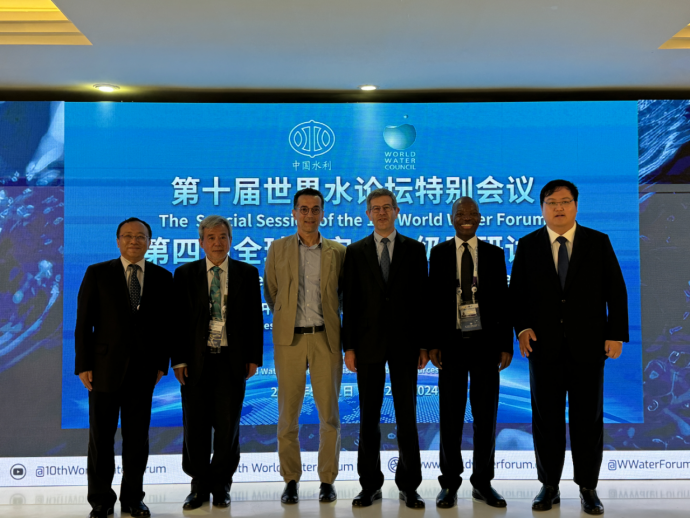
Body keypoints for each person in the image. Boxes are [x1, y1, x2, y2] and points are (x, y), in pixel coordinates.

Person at [510, 180, 629, 515]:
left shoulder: (597, 241)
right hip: (543, 348)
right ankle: (548, 486)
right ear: (542, 208)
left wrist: (616, 334)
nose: (558, 208)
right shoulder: (529, 244)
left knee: (587, 420)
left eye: (564, 201)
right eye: (551, 202)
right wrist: (523, 328)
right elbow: (517, 294)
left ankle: (588, 487)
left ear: (576, 205)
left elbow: (616, 290)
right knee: (545, 419)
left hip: (588, 347)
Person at [75, 217, 173, 518]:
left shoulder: (162, 277)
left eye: (140, 236)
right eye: (128, 236)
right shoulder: (97, 273)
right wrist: (83, 365)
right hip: (103, 369)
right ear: (118, 241)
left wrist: (161, 364)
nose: (134, 241)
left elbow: (166, 327)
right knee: (101, 439)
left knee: (137, 440)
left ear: (149, 242)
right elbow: (83, 323)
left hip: (144, 371)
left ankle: (133, 499)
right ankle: (101, 500)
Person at [343, 188, 429, 509]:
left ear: (397, 211)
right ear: (368, 214)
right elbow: (350, 303)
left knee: (407, 416)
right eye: (375, 208)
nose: (381, 213)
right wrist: (349, 346)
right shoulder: (355, 252)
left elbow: (422, 300)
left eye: (387, 207)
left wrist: (424, 344)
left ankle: (410, 485)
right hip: (367, 345)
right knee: (368, 417)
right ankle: (369, 485)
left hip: (406, 345)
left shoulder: (415, 249)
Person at [171, 215, 263, 510]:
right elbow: (177, 321)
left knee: (227, 426)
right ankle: (199, 484)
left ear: (231, 240)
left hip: (231, 360)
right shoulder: (185, 274)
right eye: (211, 237)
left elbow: (254, 318)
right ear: (201, 242)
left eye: (223, 237)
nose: (217, 243)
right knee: (195, 425)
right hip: (195, 362)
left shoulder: (247, 273)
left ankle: (222, 483)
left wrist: (253, 358)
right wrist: (178, 360)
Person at [428, 197, 513, 509]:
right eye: (460, 213)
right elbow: (432, 301)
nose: (466, 218)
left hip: (486, 346)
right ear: (451, 218)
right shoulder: (438, 253)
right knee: (450, 417)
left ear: (479, 218)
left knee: (485, 417)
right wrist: (432, 342)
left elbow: (504, 302)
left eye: (472, 213)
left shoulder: (494, 254)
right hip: (450, 346)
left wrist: (506, 344)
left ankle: (483, 483)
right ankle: (449, 483)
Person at [264, 188, 346, 504]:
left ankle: (327, 480)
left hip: (326, 338)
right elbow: (272, 293)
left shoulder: (338, 251)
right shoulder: (278, 248)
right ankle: (290, 480)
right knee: (288, 415)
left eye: (315, 209)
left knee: (329, 415)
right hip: (290, 340)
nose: (309, 215)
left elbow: (342, 295)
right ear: (294, 213)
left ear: (322, 213)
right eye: (303, 209)